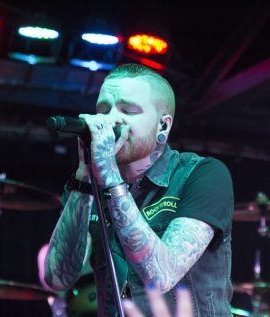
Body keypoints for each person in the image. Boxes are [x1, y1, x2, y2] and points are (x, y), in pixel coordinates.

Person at [43, 63, 234, 316]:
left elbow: (162, 276)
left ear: (163, 126)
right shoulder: (86, 186)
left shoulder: (201, 175)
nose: (110, 119)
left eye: (128, 110)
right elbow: (57, 277)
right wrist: (84, 177)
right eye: (103, 109)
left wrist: (109, 175)